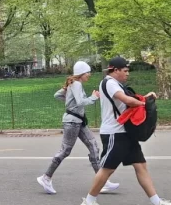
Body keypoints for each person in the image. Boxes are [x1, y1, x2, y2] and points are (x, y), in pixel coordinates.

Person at [79, 57, 171, 205]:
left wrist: (145, 98)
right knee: (107, 169)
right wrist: (145, 103)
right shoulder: (109, 83)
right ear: (115, 70)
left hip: (125, 133)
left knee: (141, 165)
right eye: (125, 71)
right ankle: (89, 202)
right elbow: (127, 100)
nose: (127, 74)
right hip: (114, 133)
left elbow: (129, 103)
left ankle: (157, 204)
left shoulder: (116, 83)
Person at [36, 62, 119, 195]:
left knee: (93, 147)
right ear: (81, 73)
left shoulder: (73, 84)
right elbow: (80, 102)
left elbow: (57, 95)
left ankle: (103, 182)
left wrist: (69, 98)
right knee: (65, 151)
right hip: (72, 122)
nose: (89, 75)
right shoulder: (76, 84)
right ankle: (46, 177)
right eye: (87, 72)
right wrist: (93, 97)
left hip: (79, 122)